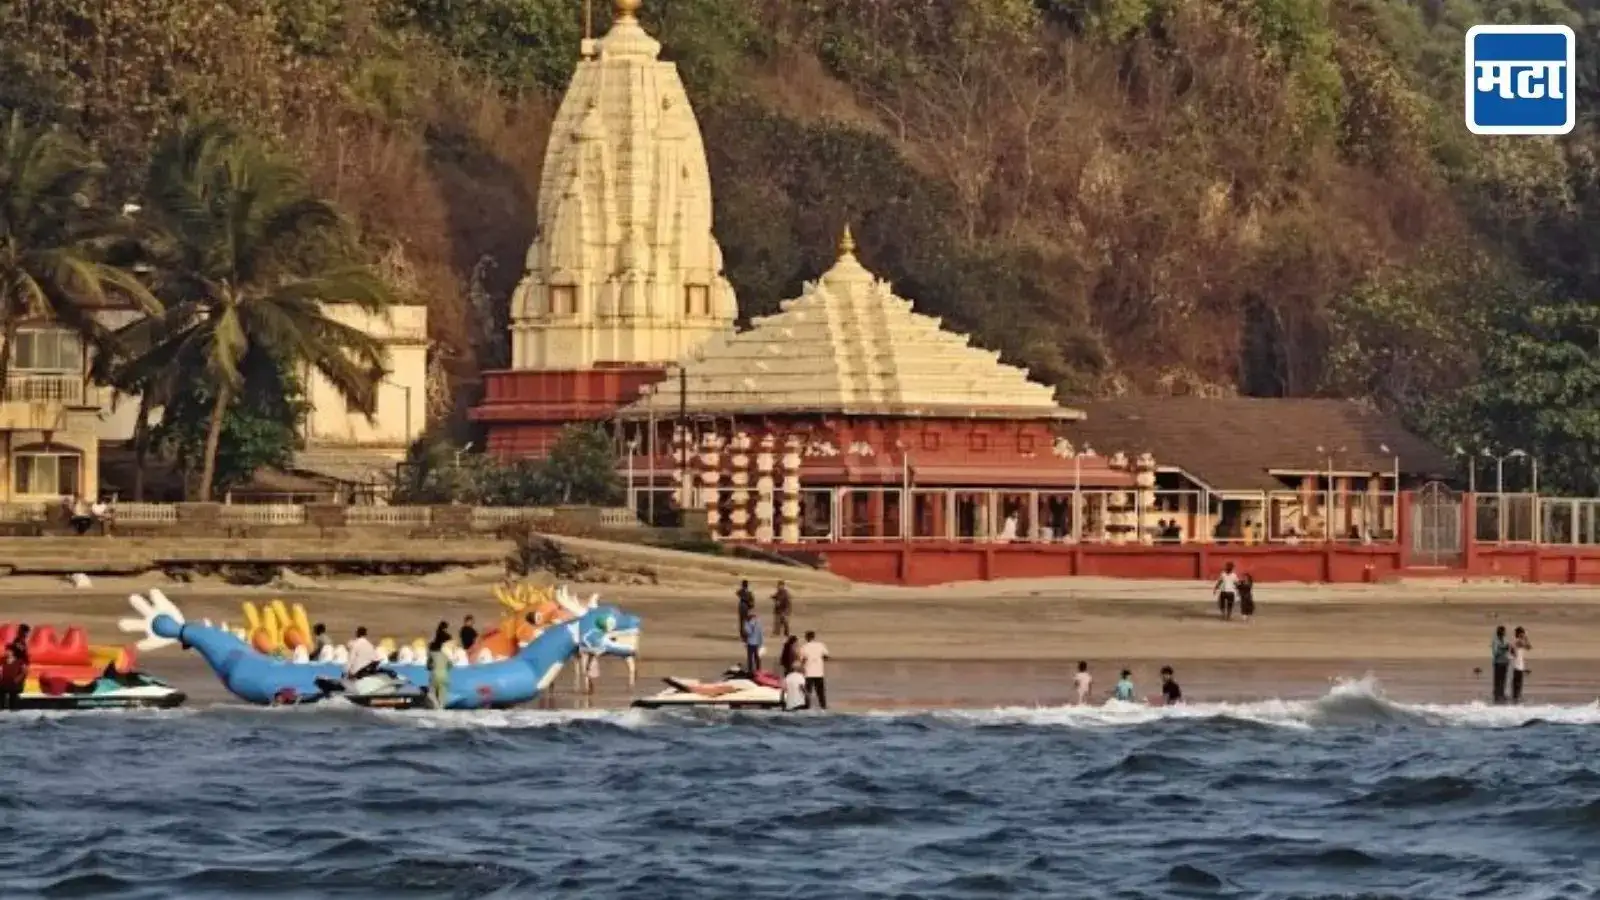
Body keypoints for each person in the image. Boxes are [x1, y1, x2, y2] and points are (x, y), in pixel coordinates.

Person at [799, 630, 829, 710]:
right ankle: (823, 706)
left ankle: (807, 706)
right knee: (820, 691)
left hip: (808, 673)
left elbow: (803, 659)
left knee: (808, 691)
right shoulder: (820, 645)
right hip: (819, 672)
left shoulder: (804, 647)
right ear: (814, 637)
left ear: (806, 637)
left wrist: (802, 667)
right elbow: (826, 656)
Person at [427, 621, 453, 710]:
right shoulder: (446, 655)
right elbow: (450, 666)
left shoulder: (432, 654)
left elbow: (428, 666)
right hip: (444, 676)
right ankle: (441, 708)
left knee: (431, 693)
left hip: (434, 675)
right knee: (443, 695)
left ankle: (435, 705)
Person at [1490, 625, 1511, 704]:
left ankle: (1502, 694)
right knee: (1497, 680)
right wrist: (1503, 648)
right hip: (1498, 662)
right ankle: (1497, 695)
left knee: (1503, 680)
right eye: (1502, 631)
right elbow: (1495, 653)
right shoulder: (1495, 641)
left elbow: (1508, 650)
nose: (1504, 633)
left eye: (1504, 631)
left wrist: (1508, 649)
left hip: (1505, 662)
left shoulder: (1505, 640)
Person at [1511, 626, 1532, 703]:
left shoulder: (1517, 641)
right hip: (1517, 666)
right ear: (1520, 634)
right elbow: (1528, 647)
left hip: (1519, 665)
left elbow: (1528, 647)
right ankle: (1516, 699)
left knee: (1518, 684)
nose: (1523, 635)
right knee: (1517, 684)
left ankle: (1516, 699)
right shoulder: (1517, 641)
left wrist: (1525, 638)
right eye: (1522, 633)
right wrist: (1526, 638)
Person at [742, 611, 764, 675]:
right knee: (756, 657)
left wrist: (746, 625)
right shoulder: (757, 623)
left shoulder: (748, 623)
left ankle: (752, 670)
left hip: (751, 643)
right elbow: (760, 634)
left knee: (751, 657)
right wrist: (761, 643)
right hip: (755, 643)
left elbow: (749, 632)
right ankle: (757, 670)